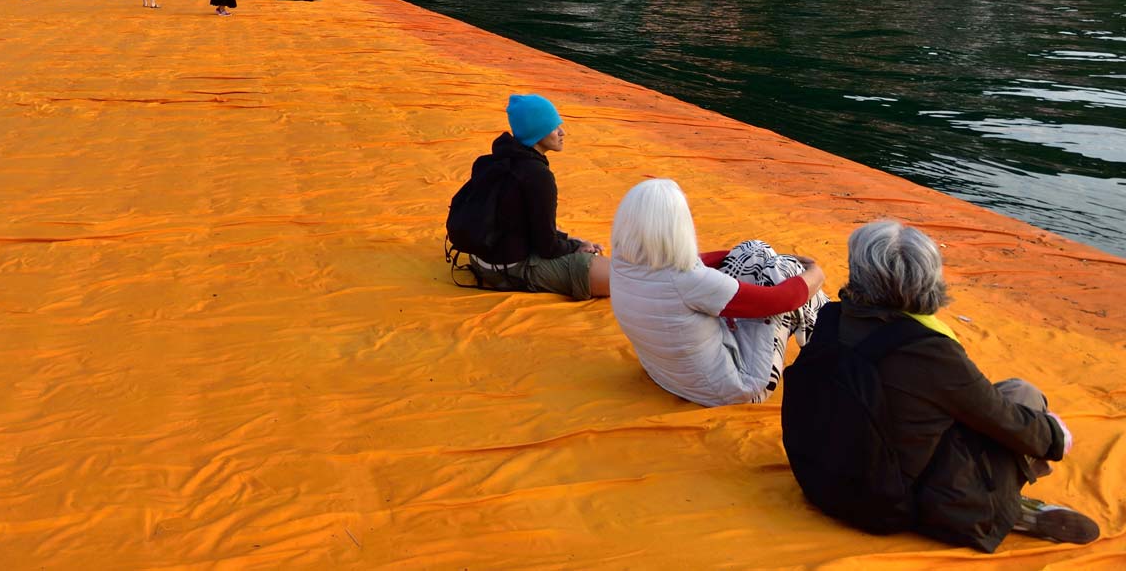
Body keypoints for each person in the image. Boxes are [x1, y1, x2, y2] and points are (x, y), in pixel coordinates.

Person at [782, 219, 1096, 550]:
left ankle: (994, 500)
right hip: (891, 504)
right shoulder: (930, 351)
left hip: (824, 482)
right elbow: (1003, 418)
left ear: (858, 271)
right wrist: (1055, 437)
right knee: (1022, 395)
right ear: (928, 280)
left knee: (935, 410)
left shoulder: (831, 319)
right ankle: (1000, 507)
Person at [607, 178, 828, 407]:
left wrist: (751, 255)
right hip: (732, 389)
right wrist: (815, 273)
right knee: (784, 272)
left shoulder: (622, 263)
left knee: (753, 250)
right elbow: (781, 300)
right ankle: (831, 342)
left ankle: (826, 334)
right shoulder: (688, 281)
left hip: (667, 375)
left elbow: (695, 263)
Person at [444, 94, 611, 300]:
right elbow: (547, 247)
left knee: (569, 240)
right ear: (536, 132)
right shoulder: (538, 176)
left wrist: (573, 241)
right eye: (554, 127)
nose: (562, 132)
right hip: (507, 269)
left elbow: (523, 223)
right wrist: (578, 248)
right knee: (621, 278)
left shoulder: (493, 161)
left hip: (480, 259)